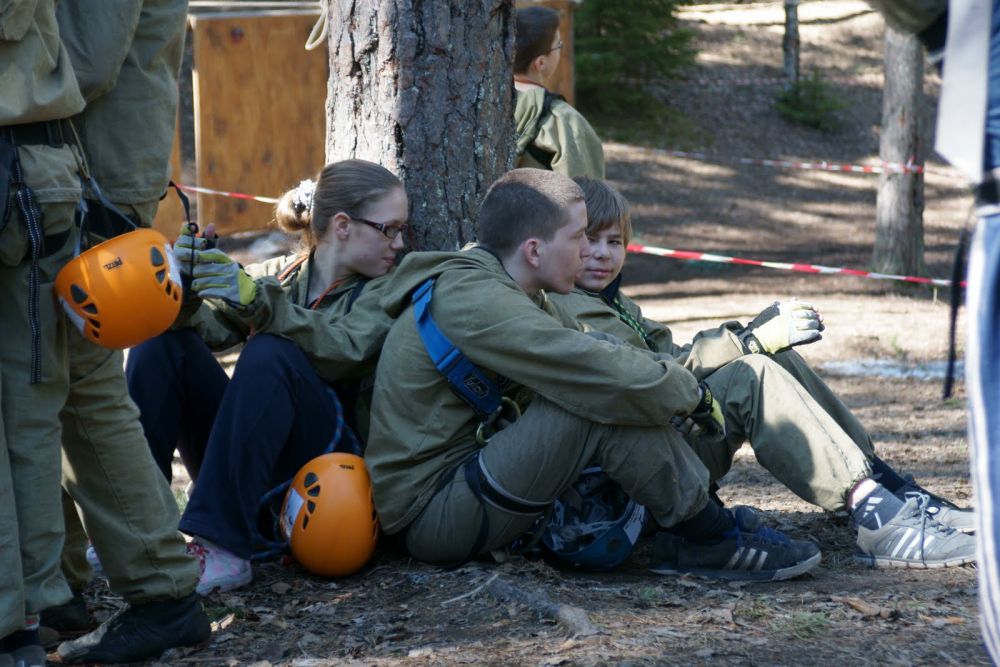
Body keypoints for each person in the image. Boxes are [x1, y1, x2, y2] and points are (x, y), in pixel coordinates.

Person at [364, 167, 822, 582]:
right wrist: (689, 394)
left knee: (612, 386)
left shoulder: (518, 291)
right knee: (593, 401)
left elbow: (604, 350)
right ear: (534, 250)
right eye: (579, 237)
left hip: (476, 480)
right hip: (434, 512)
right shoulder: (475, 299)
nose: (588, 252)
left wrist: (672, 386)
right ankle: (709, 536)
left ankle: (702, 526)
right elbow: (593, 370)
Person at [547, 177, 978, 570]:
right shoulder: (568, 305)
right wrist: (747, 341)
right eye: (589, 240)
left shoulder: (614, 302)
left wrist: (752, 336)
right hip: (619, 486)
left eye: (614, 241)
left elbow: (672, 357)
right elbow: (650, 374)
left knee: (776, 357)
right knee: (749, 374)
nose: (602, 253)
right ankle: (878, 518)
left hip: (660, 449)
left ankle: (886, 488)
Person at [126, 159, 406, 595]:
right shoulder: (285, 274)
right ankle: (135, 530)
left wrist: (257, 303)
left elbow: (345, 347)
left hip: (326, 486)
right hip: (251, 470)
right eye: (390, 229)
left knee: (270, 351)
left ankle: (222, 545)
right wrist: (183, 289)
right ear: (343, 226)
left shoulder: (390, 288)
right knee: (162, 345)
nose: (399, 243)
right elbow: (212, 329)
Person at [36, 3, 217, 664]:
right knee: (50, 379)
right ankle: (58, 585)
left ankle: (162, 589)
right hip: (87, 168)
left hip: (93, 178)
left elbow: (86, 60)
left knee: (83, 386)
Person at [0, 3, 86, 664]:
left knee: (32, 411)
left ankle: (19, 618)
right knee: (31, 414)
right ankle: (35, 606)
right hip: (39, 168)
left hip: (27, 174)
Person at [513, 6, 605, 179]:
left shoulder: (477, 103)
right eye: (558, 45)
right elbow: (586, 192)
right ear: (540, 63)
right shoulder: (563, 120)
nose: (560, 50)